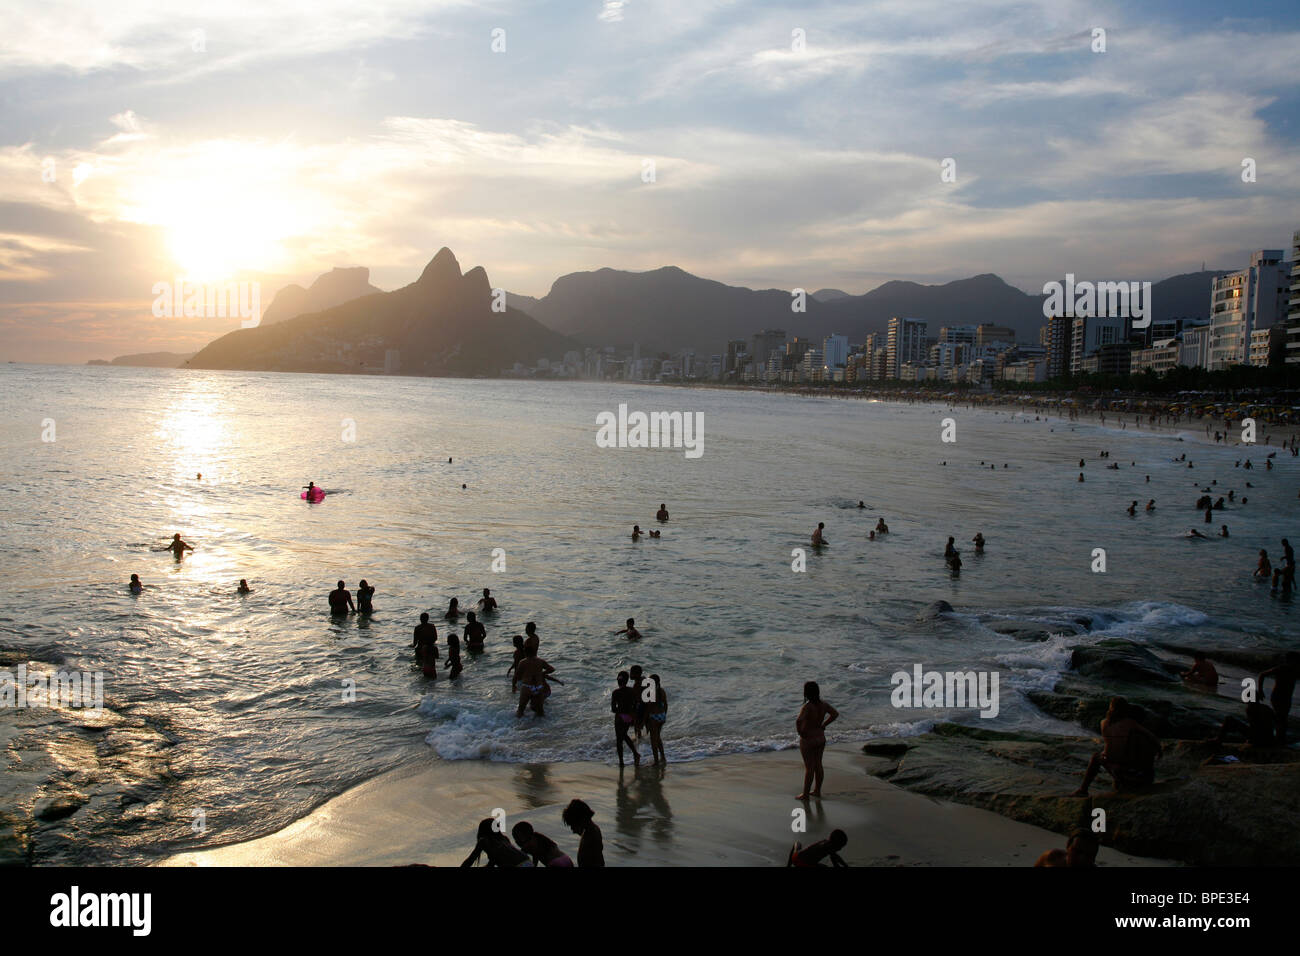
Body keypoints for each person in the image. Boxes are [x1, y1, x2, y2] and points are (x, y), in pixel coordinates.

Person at [1072, 697, 1162, 796]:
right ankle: (1131, 780)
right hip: (1132, 771)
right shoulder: (1130, 723)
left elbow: (1109, 750)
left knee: (1096, 757)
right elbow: (1152, 737)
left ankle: (1083, 789)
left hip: (1117, 770)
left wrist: (1105, 756)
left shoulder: (1103, 723)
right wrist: (1159, 751)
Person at [795, 681, 838, 800]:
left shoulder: (807, 707)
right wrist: (824, 725)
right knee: (818, 764)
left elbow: (799, 720)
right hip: (820, 737)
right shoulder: (823, 705)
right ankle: (817, 791)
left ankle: (805, 794)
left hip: (809, 738)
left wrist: (801, 733)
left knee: (809, 768)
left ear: (806, 693)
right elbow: (835, 714)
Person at [1258, 652, 1300, 744]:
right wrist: (1260, 690)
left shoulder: (1295, 670)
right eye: (1297, 660)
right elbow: (1262, 674)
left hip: (1287, 697)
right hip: (1278, 696)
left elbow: (1262, 675)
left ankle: (1279, 738)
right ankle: (1278, 739)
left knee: (1282, 718)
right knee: (1281, 718)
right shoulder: (1282, 668)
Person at [461, 818, 532, 867]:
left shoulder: (484, 841)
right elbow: (493, 861)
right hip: (527, 861)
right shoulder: (504, 839)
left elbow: (470, 860)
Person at [514, 640, 556, 717]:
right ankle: (543, 727)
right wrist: (542, 673)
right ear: (534, 652)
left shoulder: (523, 662)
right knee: (540, 711)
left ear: (525, 653)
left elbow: (517, 675)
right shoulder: (540, 661)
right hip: (538, 687)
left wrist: (515, 685)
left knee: (520, 710)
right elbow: (552, 669)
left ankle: (517, 727)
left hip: (527, 686)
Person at [1212, 701, 1277, 748]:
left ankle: (1218, 739)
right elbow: (1275, 721)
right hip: (1269, 738)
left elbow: (1254, 727)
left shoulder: (1251, 708)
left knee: (1229, 719)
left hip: (1259, 739)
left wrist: (1250, 741)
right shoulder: (1267, 708)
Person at [561, 799, 604, 867]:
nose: (573, 830)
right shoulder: (592, 831)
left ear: (582, 820)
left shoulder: (590, 837)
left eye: (573, 825)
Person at [610, 671, 640, 768]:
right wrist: (633, 716)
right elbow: (636, 705)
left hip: (619, 717)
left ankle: (622, 762)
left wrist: (620, 710)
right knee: (623, 735)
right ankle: (635, 754)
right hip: (629, 716)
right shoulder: (632, 691)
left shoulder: (616, 693)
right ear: (627, 681)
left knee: (619, 739)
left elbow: (613, 709)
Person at [645, 673, 668, 766]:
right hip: (661, 716)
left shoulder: (651, 692)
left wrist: (646, 719)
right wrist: (664, 714)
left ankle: (656, 761)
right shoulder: (662, 691)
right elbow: (666, 704)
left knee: (653, 740)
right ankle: (662, 756)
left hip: (654, 717)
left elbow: (648, 707)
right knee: (658, 737)